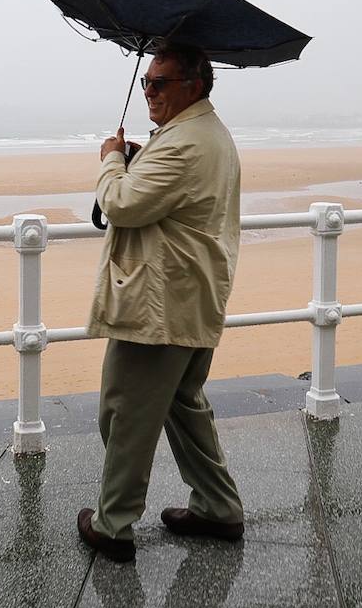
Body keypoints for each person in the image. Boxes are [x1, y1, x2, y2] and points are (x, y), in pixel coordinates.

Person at [76, 42, 245, 562]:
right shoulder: (202, 134)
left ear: (194, 85)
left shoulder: (186, 142)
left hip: (160, 303)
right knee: (182, 404)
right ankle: (218, 507)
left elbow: (124, 204)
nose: (149, 90)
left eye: (160, 83)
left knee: (124, 412)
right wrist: (136, 159)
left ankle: (114, 524)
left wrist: (111, 162)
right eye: (147, 82)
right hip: (189, 295)